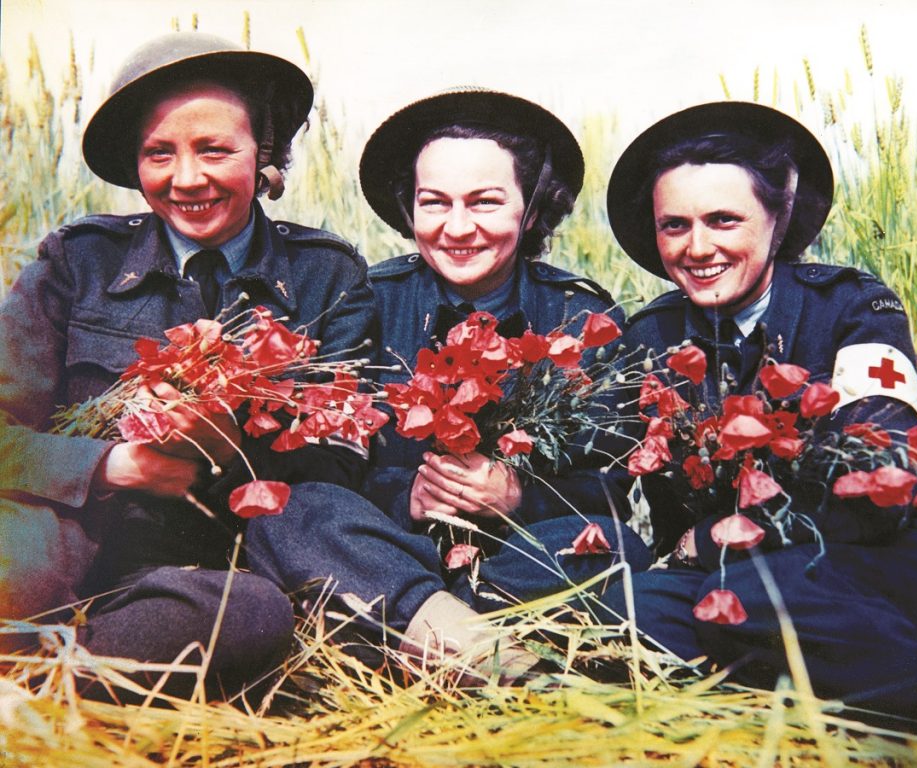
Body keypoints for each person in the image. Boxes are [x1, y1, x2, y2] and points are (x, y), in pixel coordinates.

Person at [597, 101, 917, 743]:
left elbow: (882, 478)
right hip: (756, 573)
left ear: (778, 216)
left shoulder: (854, 306)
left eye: (723, 219)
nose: (698, 247)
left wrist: (710, 540)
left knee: (761, 595)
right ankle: (863, 677)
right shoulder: (648, 336)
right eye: (674, 225)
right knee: (637, 609)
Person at [0, 32, 377, 699]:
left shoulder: (327, 277)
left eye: (215, 150)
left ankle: (41, 690)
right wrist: (114, 466)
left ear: (263, 157)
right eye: (158, 153)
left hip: (203, 571)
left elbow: (339, 467)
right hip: (68, 538)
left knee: (254, 616)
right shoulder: (76, 263)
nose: (187, 179)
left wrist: (228, 446)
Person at [247, 90, 649, 681]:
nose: (457, 228)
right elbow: (321, 461)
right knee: (290, 512)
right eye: (434, 203)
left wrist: (517, 496)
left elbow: (615, 485)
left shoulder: (577, 314)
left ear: (531, 210)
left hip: (516, 558)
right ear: (409, 209)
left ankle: (407, 635)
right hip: (387, 544)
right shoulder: (364, 300)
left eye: (485, 202)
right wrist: (407, 494)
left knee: (616, 548)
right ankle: (495, 658)